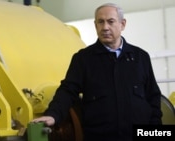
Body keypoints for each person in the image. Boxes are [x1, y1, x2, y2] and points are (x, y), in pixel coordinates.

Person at [32, 3, 163, 141]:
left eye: (110, 22)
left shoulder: (140, 57)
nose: (105, 27)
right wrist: (53, 114)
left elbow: (153, 97)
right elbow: (67, 91)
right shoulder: (83, 59)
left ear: (122, 24)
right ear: (95, 25)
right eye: (100, 22)